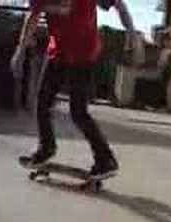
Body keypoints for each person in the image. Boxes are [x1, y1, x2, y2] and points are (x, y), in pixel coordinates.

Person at [13, 0, 136, 180]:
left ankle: (106, 160)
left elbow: (119, 5)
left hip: (84, 53)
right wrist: (20, 50)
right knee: (42, 102)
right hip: (58, 52)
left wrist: (132, 33)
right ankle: (46, 148)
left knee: (78, 112)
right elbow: (33, 17)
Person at [134, 32, 171, 110]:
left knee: (160, 87)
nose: (165, 43)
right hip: (159, 71)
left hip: (165, 72)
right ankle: (159, 105)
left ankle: (160, 106)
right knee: (159, 88)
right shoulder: (163, 50)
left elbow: (170, 64)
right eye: (164, 41)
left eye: (167, 41)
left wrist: (164, 69)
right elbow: (157, 60)